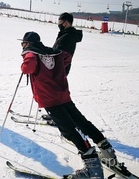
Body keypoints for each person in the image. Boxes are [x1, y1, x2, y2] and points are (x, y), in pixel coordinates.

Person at [20, 31, 119, 179]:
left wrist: (26, 57)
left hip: (50, 99)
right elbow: (67, 57)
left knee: (70, 130)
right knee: (82, 122)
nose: (22, 46)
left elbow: (27, 68)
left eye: (23, 44)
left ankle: (93, 170)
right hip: (63, 94)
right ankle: (107, 152)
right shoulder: (53, 52)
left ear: (27, 43)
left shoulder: (31, 53)